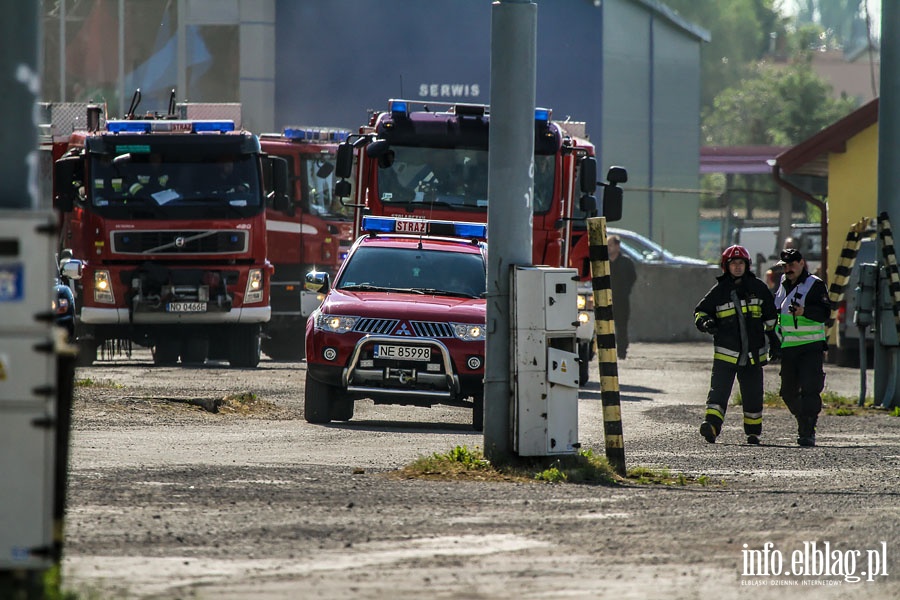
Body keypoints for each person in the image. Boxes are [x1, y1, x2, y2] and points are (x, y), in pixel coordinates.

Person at [694, 245, 778, 445]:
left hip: (753, 355)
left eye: (741, 263)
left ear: (747, 265)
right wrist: (706, 323)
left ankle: (753, 432)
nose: (738, 267)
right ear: (726, 266)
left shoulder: (758, 288)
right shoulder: (719, 291)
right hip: (726, 354)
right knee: (718, 393)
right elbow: (700, 311)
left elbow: (771, 318)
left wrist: (774, 341)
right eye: (734, 263)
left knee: (753, 395)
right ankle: (711, 426)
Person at [773, 247, 830, 447]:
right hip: (789, 348)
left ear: (801, 263)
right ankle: (803, 418)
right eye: (785, 266)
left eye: (792, 265)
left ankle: (808, 430)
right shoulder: (782, 285)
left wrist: (804, 311)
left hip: (810, 346)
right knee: (787, 393)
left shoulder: (814, 284)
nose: (788, 269)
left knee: (810, 389)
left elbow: (825, 313)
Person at [608, 234, 637, 360]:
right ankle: (607, 352)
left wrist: (625, 290)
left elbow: (632, 277)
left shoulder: (626, 262)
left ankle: (622, 351)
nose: (608, 248)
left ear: (617, 246)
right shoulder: (604, 264)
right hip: (607, 299)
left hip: (621, 299)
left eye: (610, 245)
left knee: (621, 326)